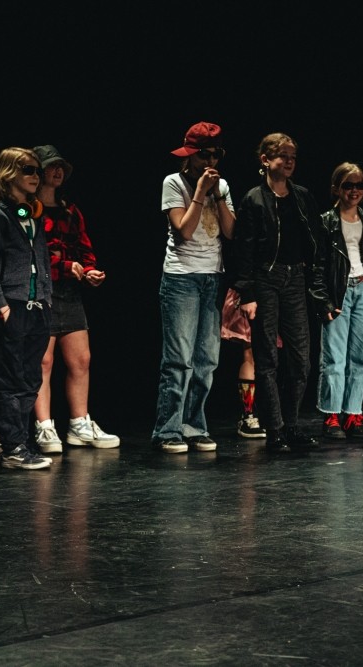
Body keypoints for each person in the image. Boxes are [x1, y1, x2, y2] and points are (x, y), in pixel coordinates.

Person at [232, 132, 326, 454]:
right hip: (265, 279)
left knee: (301, 360)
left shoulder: (302, 197)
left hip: (295, 278)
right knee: (267, 358)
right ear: (265, 160)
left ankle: (291, 424)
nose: (289, 161)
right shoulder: (254, 199)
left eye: (292, 157)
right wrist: (247, 293)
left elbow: (316, 242)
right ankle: (274, 429)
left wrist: (316, 283)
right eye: (282, 155)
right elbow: (243, 249)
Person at [151, 122, 235, 454]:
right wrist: (200, 192)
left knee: (207, 360)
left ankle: (194, 426)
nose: (210, 161)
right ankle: (167, 430)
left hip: (212, 276)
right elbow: (183, 231)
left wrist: (218, 194)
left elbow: (230, 232)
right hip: (181, 278)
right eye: (204, 155)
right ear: (190, 156)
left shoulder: (222, 185)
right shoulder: (173, 182)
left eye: (216, 155)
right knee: (178, 360)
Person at [30, 145, 119, 454]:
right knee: (43, 361)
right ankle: (44, 426)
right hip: (41, 291)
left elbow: (85, 249)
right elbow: (31, 254)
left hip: (69, 293)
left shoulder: (70, 211)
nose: (57, 172)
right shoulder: (28, 211)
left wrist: (91, 271)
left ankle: (79, 423)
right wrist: (65, 266)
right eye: (51, 166)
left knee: (81, 360)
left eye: (61, 167)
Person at [0, 147, 53, 470]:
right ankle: (13, 446)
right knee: (11, 378)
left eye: (37, 171)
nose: (36, 176)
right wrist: (3, 306)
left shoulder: (32, 214)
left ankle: (22, 440)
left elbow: (41, 259)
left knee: (31, 378)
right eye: (28, 170)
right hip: (14, 306)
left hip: (38, 307)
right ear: (9, 174)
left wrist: (47, 298)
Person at [312, 162, 363, 440]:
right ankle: (332, 415)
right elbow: (317, 266)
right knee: (334, 357)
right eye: (348, 185)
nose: (354, 190)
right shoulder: (325, 222)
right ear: (336, 188)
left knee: (361, 357)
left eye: (360, 185)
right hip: (339, 293)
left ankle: (353, 413)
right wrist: (323, 301)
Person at [220, 288, 266, 438]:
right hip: (249, 295)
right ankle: (248, 415)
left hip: (271, 295)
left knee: (267, 355)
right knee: (250, 352)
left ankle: (268, 415)